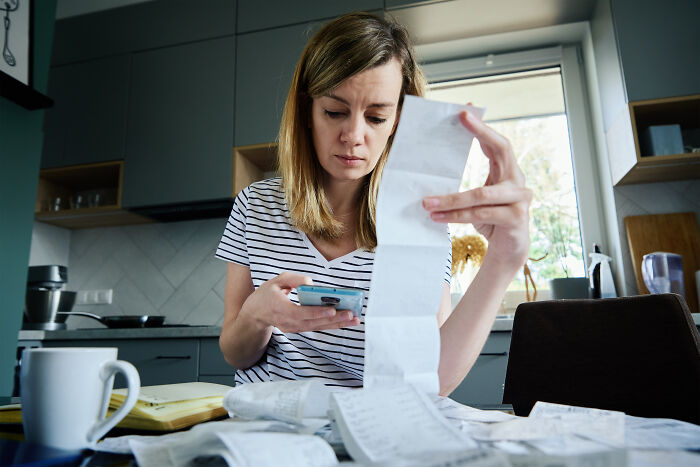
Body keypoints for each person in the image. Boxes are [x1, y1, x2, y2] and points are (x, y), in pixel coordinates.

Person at [215, 12, 531, 395]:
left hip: (369, 435)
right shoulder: (256, 205)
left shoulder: (421, 221)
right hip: (265, 431)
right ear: (307, 111)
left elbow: (431, 380)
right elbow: (236, 354)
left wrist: (502, 260)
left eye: (377, 116)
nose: (354, 136)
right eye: (334, 112)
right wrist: (256, 314)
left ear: (398, 119)